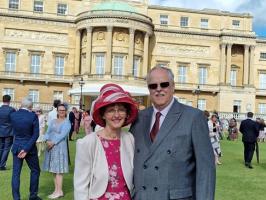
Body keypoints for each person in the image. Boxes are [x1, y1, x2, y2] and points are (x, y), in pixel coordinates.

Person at [130, 66, 216, 200]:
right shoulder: (139, 118)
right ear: (149, 89)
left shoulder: (193, 117)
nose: (158, 89)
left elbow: (206, 170)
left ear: (173, 86)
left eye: (164, 84)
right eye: (153, 86)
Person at [74, 83, 138, 200]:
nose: (117, 115)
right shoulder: (88, 143)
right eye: (111, 110)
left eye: (121, 110)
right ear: (103, 114)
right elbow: (80, 186)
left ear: (127, 113)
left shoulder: (130, 139)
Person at [10, 97, 41, 200]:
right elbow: (35, 134)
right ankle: (33, 196)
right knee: (35, 170)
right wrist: (26, 149)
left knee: (16, 173)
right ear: (31, 106)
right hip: (30, 148)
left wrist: (23, 148)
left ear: (21, 105)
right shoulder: (33, 116)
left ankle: (16, 198)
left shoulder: (13, 115)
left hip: (17, 146)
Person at [42, 103, 71, 199]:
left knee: (59, 170)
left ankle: (59, 191)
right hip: (50, 147)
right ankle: (56, 190)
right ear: (57, 111)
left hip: (59, 148)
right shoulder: (53, 121)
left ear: (65, 111)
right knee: (53, 170)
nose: (61, 112)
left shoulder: (67, 122)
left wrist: (53, 142)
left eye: (63, 110)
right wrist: (47, 140)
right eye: (60, 110)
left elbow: (62, 135)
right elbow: (47, 132)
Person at [0, 94, 16, 170]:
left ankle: (1, 164)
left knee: (1, 148)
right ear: (9, 100)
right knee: (6, 149)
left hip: (1, 131)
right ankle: (2, 165)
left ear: (3, 100)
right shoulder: (12, 110)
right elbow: (15, 121)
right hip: (9, 132)